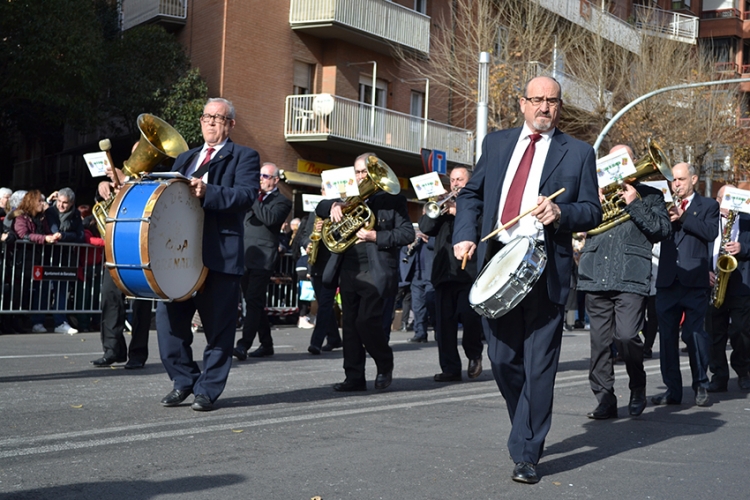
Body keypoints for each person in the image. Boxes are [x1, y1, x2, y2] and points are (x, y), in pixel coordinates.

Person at [453, 76, 601, 484]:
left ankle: (527, 452)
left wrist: (561, 215)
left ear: (559, 105)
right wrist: (464, 233)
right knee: (502, 360)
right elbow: (471, 195)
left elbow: (592, 209)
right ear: (522, 103)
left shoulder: (579, 152)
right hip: (497, 262)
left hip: (544, 267)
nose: (545, 108)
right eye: (537, 100)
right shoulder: (497, 144)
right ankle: (526, 423)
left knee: (539, 366)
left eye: (552, 101)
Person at [156, 97, 258, 412]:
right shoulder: (184, 158)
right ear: (200, 122)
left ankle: (208, 390)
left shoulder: (244, 156)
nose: (211, 122)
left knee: (219, 329)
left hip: (219, 253)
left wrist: (209, 191)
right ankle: (183, 380)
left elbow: (246, 196)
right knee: (168, 324)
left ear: (231, 124)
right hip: (179, 255)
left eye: (219, 117)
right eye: (207, 116)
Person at [576, 145, 671, 420]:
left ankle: (637, 384)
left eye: (626, 159)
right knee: (600, 344)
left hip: (630, 276)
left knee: (627, 336)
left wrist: (635, 204)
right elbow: (575, 224)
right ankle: (605, 399)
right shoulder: (593, 191)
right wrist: (588, 207)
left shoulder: (651, 195)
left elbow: (661, 230)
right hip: (596, 274)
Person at [315, 153, 415, 391]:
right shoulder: (346, 196)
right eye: (358, 172)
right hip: (349, 269)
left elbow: (407, 234)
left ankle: (384, 363)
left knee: (366, 322)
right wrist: (334, 205)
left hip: (376, 270)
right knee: (349, 325)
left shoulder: (392, 200)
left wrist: (375, 236)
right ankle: (354, 377)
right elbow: (320, 207)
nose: (361, 176)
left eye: (365, 172)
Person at [651, 162, 718, 408]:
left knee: (695, 334)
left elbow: (710, 232)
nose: (676, 184)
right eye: (673, 180)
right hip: (668, 281)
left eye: (680, 179)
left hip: (694, 282)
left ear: (693, 179)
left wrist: (684, 216)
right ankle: (672, 390)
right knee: (667, 340)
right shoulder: (663, 206)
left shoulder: (708, 205)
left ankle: (701, 384)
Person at [419, 166, 484, 382]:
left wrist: (461, 212)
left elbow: (485, 227)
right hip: (443, 273)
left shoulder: (478, 204)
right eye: (453, 180)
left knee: (469, 316)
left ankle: (474, 354)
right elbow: (426, 227)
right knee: (443, 324)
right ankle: (450, 368)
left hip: (469, 272)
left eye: (460, 179)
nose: (455, 184)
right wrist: (438, 207)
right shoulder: (443, 204)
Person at [90, 181, 153, 369]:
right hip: (118, 249)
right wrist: (103, 188)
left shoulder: (151, 185)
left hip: (142, 249)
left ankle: (138, 353)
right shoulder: (118, 185)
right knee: (110, 298)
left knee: (142, 303)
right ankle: (112, 350)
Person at [233, 162, 292, 360]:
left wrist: (253, 198)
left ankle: (244, 344)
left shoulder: (282, 201)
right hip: (245, 256)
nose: (261, 179)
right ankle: (266, 344)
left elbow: (269, 219)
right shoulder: (253, 199)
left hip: (263, 259)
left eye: (265, 176)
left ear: (275, 180)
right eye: (260, 175)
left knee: (254, 301)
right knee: (253, 302)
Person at [706, 184, 750, 392]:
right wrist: (705, 271)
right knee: (715, 332)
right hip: (714, 281)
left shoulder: (747, 220)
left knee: (741, 330)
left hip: (740, 283)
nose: (729, 203)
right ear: (717, 200)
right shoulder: (710, 219)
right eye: (725, 198)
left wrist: (743, 248)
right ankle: (719, 376)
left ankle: (743, 371)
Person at [43, 187, 84, 334]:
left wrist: (65, 236)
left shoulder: (76, 215)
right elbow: (54, 231)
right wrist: (65, 235)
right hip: (48, 255)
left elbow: (80, 237)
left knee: (62, 290)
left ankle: (60, 321)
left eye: (65, 203)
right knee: (45, 288)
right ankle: (38, 321)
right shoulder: (50, 212)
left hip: (66, 257)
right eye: (59, 201)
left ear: (72, 203)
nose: (61, 205)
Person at [304, 209, 343, 354]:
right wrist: (307, 243)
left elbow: (343, 236)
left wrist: (328, 228)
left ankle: (316, 342)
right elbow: (304, 234)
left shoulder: (342, 211)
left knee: (325, 304)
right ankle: (334, 339)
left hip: (332, 263)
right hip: (316, 265)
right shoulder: (314, 213)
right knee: (324, 303)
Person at [405, 227, 434, 343]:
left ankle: (439, 332)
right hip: (416, 274)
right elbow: (403, 251)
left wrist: (428, 240)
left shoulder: (435, 230)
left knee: (432, 304)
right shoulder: (416, 234)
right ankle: (420, 333)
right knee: (417, 306)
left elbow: (441, 245)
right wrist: (409, 245)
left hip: (430, 272)